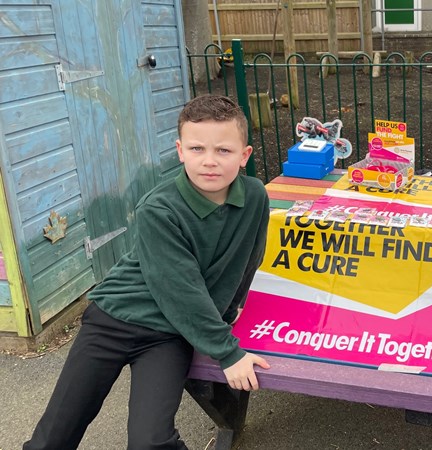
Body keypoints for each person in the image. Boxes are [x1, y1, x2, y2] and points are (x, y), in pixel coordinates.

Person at [25, 94, 270, 449]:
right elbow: (180, 288)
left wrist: (230, 311)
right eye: (197, 148)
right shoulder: (158, 208)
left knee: (150, 442)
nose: (209, 161)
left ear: (244, 155)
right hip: (113, 320)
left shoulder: (254, 196)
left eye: (223, 150)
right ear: (180, 150)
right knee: (53, 437)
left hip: (168, 334)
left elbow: (249, 258)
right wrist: (227, 351)